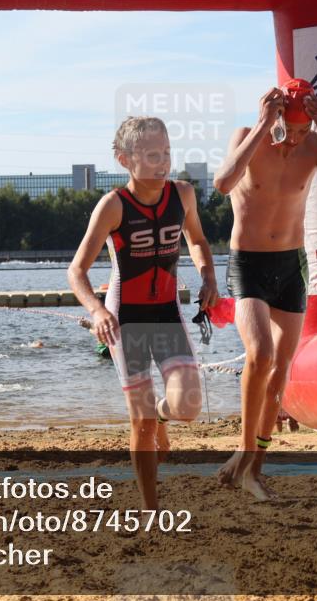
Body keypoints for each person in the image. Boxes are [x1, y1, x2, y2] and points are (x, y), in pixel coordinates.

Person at [213, 79, 317, 500]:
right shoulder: (247, 136)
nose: (293, 140)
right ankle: (243, 453)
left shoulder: (315, 146)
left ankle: (253, 469)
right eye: (287, 130)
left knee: (280, 368)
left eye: (301, 132)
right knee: (259, 355)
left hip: (291, 263)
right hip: (248, 263)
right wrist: (263, 128)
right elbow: (223, 183)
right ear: (273, 116)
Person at [67, 116, 219, 510]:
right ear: (125, 159)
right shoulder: (113, 205)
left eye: (166, 152)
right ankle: (151, 506)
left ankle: (163, 420)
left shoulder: (183, 195)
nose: (162, 162)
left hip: (167, 313)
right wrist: (97, 310)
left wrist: (208, 278)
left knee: (187, 407)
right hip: (126, 318)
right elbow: (76, 270)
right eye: (152, 154)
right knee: (141, 421)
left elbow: (199, 240)